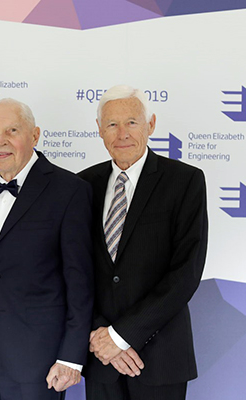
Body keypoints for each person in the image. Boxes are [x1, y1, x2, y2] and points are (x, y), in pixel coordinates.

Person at [0, 98, 94, 400]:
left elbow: (80, 282)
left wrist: (71, 356)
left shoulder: (69, 190)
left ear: (35, 135)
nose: (0, 141)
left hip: (37, 356)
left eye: (12, 131)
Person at [79, 85, 208, 400]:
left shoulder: (184, 181)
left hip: (160, 357)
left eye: (132, 122)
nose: (122, 133)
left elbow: (186, 272)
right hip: (101, 358)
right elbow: (75, 270)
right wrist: (102, 336)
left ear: (150, 125)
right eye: (111, 124)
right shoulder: (81, 185)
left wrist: (122, 336)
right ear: (99, 130)